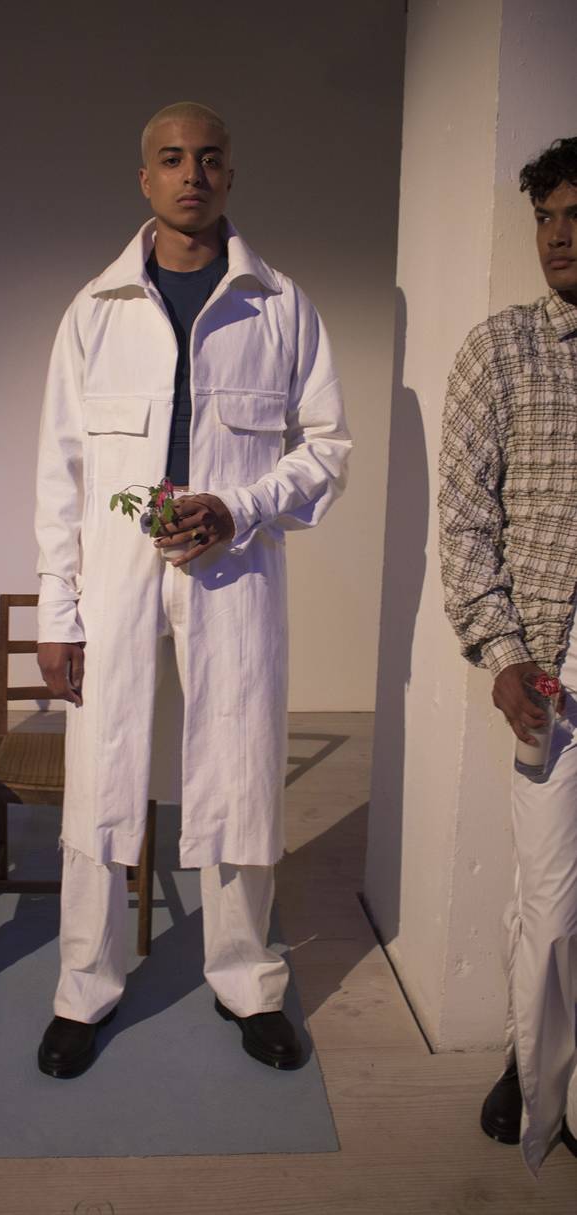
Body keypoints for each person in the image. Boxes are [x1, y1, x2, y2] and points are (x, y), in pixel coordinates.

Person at [34, 101, 351, 1078]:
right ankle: (84, 987)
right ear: (145, 178)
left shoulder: (280, 305)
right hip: (115, 581)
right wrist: (56, 609)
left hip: (235, 572)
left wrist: (240, 508)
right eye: (172, 159)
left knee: (240, 770)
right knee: (102, 773)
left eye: (209, 158)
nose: (192, 175)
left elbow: (327, 449)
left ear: (230, 173)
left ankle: (248, 980)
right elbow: (59, 472)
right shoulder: (94, 312)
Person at [439, 137, 577, 1172]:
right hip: (552, 661)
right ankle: (532, 1065)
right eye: (545, 217)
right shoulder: (502, 350)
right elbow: (464, 521)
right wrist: (501, 650)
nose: (558, 236)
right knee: (551, 891)